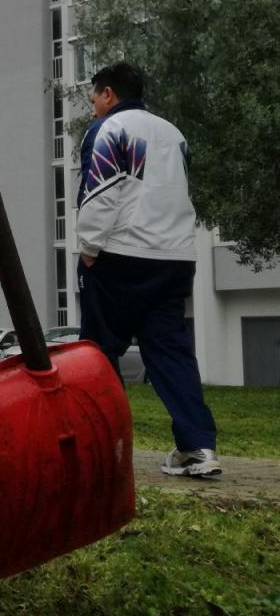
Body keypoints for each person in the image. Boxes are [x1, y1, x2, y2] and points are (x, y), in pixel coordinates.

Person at [76, 62, 220, 479]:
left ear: (108, 94)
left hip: (119, 255)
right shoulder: (174, 134)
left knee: (100, 351)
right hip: (174, 257)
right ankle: (198, 448)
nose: (94, 108)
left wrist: (88, 247)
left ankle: (108, 449)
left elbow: (100, 190)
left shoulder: (110, 130)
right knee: (172, 353)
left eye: (94, 99)